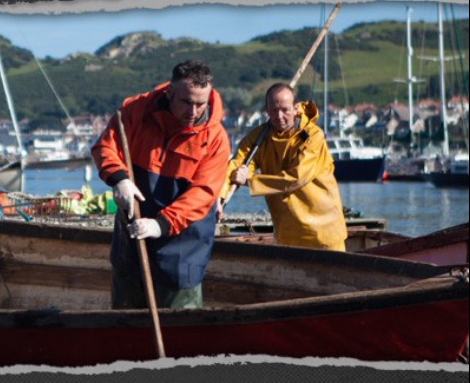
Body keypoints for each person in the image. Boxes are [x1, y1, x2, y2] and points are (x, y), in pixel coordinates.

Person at [91, 59, 231, 309]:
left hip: (184, 247)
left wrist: (161, 224)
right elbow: (106, 146)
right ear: (170, 93)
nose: (193, 111)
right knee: (124, 320)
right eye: (186, 102)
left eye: (201, 104)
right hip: (132, 239)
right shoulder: (136, 111)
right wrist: (119, 179)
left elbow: (204, 193)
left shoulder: (216, 139)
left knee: (180, 327)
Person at [220, 82, 347, 250]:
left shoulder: (314, 136)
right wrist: (219, 199)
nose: (279, 116)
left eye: (285, 110)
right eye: (274, 110)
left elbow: (297, 178)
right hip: (287, 233)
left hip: (323, 232)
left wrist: (250, 181)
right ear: (266, 110)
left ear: (296, 108)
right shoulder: (258, 138)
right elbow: (236, 166)